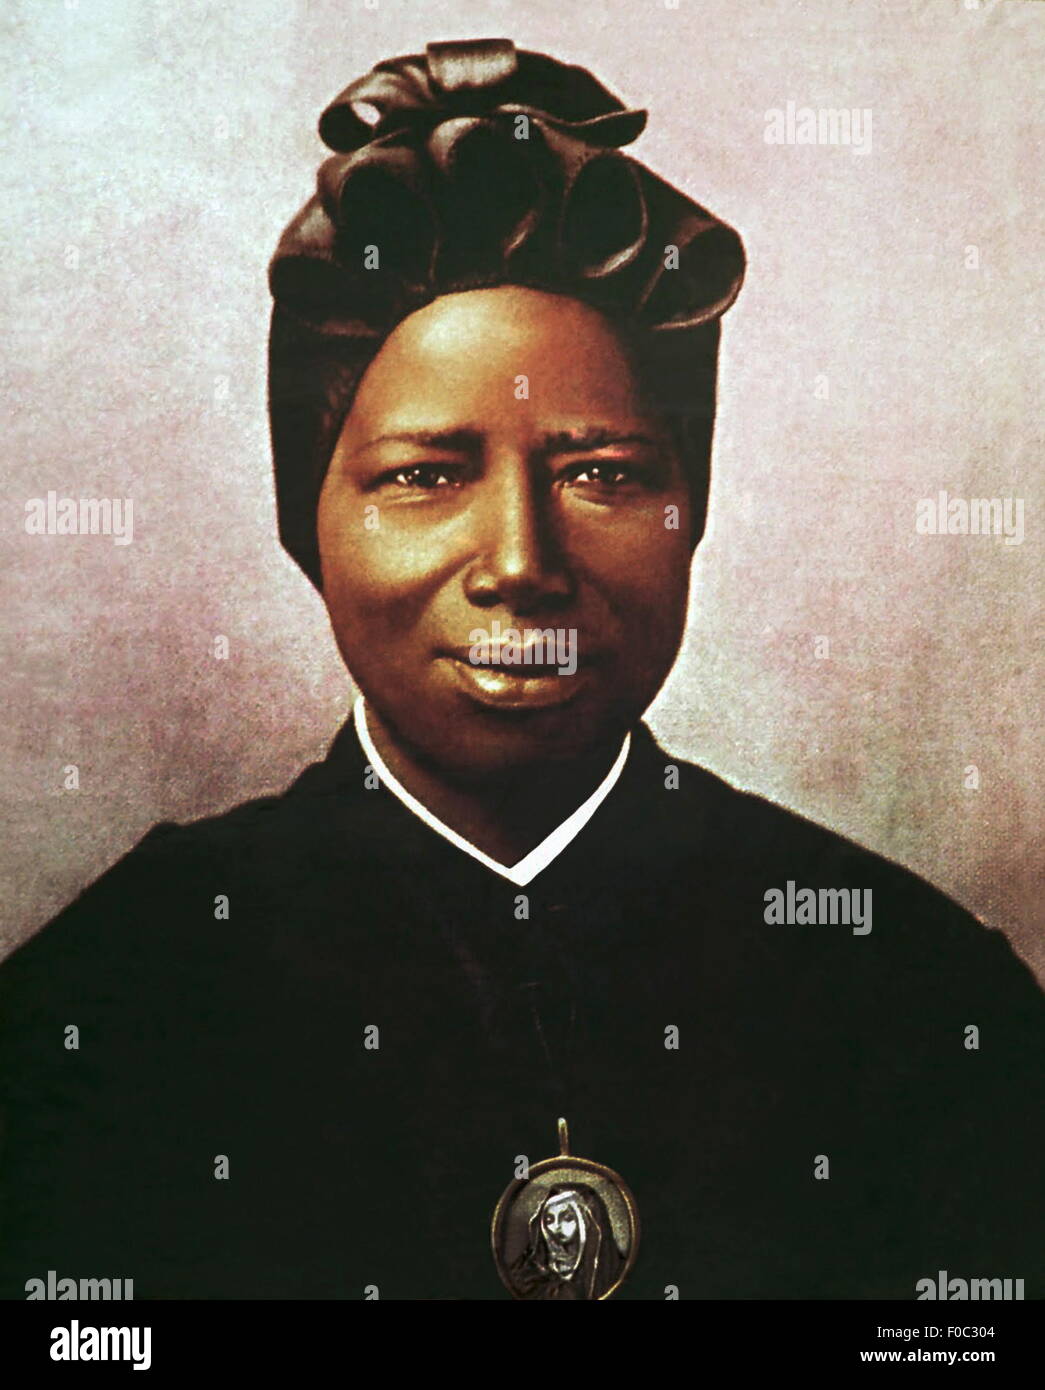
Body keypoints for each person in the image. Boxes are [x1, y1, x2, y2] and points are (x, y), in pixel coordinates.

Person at [1, 38, 1042, 1302]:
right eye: (424, 476)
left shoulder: (917, 994)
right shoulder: (111, 1000)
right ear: (308, 524)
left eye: (602, 472)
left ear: (691, 510)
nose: (520, 562)